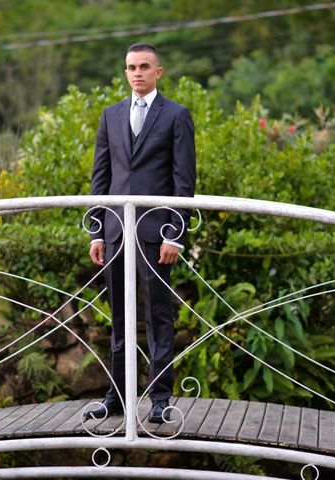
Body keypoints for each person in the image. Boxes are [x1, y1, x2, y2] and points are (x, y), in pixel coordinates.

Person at [85, 43, 196, 423]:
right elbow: (101, 179)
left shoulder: (177, 116)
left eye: (144, 66)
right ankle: (116, 397)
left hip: (156, 232)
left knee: (158, 317)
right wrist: (96, 231)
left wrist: (175, 235)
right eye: (131, 67)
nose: (137, 73)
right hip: (115, 231)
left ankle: (160, 400)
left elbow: (184, 182)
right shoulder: (110, 115)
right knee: (119, 317)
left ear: (158, 72)